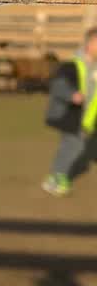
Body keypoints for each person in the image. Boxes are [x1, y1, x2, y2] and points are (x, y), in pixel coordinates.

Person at [41, 28, 97, 196]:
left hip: (88, 117)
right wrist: (72, 94)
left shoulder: (95, 67)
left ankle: (56, 176)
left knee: (74, 146)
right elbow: (58, 85)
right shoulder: (71, 65)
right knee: (73, 146)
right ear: (89, 44)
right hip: (72, 116)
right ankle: (57, 177)